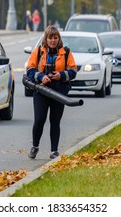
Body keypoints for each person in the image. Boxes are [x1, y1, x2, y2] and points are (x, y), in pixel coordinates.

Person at [26, 25, 77, 160]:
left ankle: (54, 151)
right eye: (50, 38)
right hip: (42, 90)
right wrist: (41, 76)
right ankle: (35, 146)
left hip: (59, 91)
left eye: (55, 38)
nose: (53, 41)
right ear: (46, 39)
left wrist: (60, 75)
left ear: (59, 39)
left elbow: (73, 71)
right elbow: (30, 70)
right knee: (39, 120)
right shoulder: (38, 52)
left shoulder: (65, 52)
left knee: (55, 121)